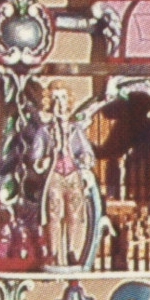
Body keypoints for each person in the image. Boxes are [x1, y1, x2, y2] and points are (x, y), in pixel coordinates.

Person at [30, 85, 98, 269]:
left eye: (62, 99)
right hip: (55, 174)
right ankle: (53, 253)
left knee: (73, 213)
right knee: (54, 213)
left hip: (72, 174)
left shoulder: (75, 129)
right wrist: (43, 160)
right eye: (55, 99)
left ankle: (71, 251)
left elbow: (86, 151)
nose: (59, 104)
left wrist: (85, 158)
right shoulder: (45, 131)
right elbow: (35, 156)